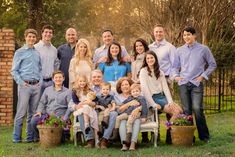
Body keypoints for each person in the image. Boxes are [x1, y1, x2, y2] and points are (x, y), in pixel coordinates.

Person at [171, 26, 217, 142]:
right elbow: (175, 67)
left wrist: (202, 76)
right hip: (183, 83)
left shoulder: (203, 49)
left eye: (188, 34)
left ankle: (204, 137)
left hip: (196, 83)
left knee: (197, 109)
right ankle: (189, 137)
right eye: (184, 35)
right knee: (186, 110)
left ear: (194, 35)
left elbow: (212, 64)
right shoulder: (179, 50)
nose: (186, 37)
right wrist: (176, 76)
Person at [11, 29, 42, 143]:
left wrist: (40, 82)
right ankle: (17, 138)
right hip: (25, 86)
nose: (31, 39)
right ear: (25, 37)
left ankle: (29, 138)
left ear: (36, 39)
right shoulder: (19, 52)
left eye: (33, 37)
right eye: (29, 36)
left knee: (32, 114)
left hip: (36, 86)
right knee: (21, 113)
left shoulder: (37, 53)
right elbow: (14, 71)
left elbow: (40, 69)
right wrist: (21, 83)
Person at [139, 51, 182, 124]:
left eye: (151, 58)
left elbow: (165, 88)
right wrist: (153, 104)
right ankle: (169, 128)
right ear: (145, 61)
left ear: (155, 58)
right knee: (176, 111)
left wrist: (170, 102)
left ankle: (171, 131)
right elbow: (145, 90)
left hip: (161, 96)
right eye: (148, 58)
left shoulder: (160, 72)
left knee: (180, 110)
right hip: (152, 98)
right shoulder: (143, 71)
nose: (150, 60)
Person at [31, 70, 72, 142]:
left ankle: (65, 135)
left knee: (61, 140)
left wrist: (65, 117)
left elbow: (70, 106)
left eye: (60, 77)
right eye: (56, 77)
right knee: (34, 121)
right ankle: (40, 137)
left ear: (63, 78)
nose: (58, 79)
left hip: (60, 117)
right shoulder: (47, 90)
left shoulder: (68, 92)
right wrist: (39, 111)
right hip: (48, 116)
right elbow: (42, 102)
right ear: (53, 79)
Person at [114, 77, 141, 151]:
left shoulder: (135, 93)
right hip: (124, 116)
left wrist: (138, 109)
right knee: (122, 122)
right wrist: (129, 104)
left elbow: (143, 104)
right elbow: (119, 111)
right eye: (122, 85)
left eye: (126, 84)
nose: (125, 86)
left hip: (135, 115)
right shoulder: (117, 97)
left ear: (130, 85)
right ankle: (124, 144)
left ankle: (133, 144)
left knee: (137, 121)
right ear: (120, 87)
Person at [149, 24, 176, 93]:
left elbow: (175, 65)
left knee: (168, 103)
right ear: (153, 33)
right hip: (152, 79)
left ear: (164, 33)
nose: (158, 33)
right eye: (156, 32)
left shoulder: (170, 47)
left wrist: (170, 79)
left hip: (165, 79)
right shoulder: (150, 47)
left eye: (160, 32)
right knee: (154, 103)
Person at [34, 25, 60, 94]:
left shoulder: (54, 49)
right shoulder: (35, 48)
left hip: (51, 83)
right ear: (42, 33)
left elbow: (56, 65)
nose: (48, 34)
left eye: (50, 32)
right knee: (36, 104)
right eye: (46, 32)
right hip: (38, 82)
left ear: (52, 35)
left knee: (49, 103)